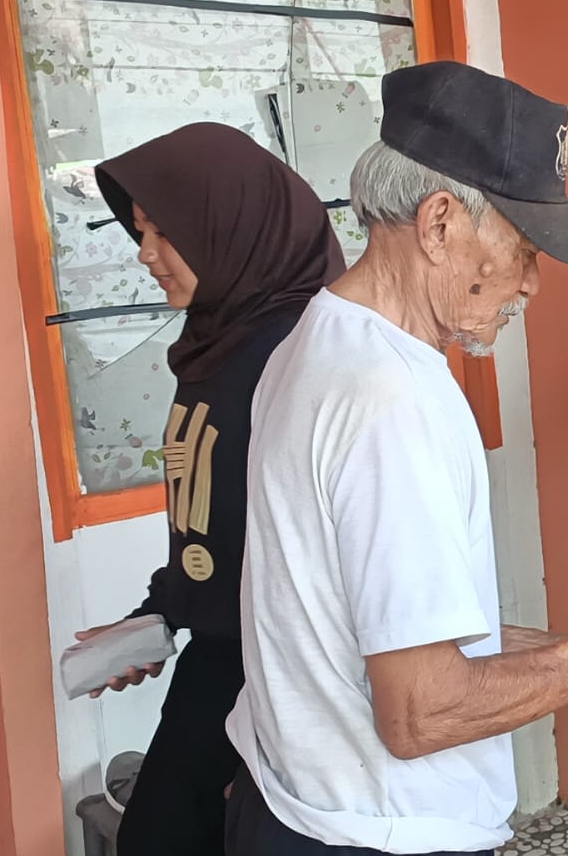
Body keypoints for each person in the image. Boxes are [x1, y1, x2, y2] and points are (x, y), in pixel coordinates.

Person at [222, 60, 568, 856]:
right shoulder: (392, 403)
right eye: (524, 247)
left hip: (297, 806)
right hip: (376, 833)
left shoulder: (316, 338)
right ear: (440, 223)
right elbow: (420, 713)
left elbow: (384, 627)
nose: (532, 284)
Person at [72, 122, 345, 856]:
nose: (144, 254)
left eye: (165, 232)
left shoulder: (297, 356)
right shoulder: (220, 340)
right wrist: (160, 612)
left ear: (229, 228)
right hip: (224, 657)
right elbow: (213, 520)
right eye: (139, 231)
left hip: (285, 678)